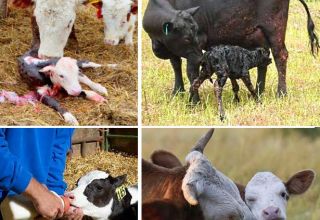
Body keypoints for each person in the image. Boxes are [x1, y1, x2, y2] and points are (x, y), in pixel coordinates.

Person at [0, 128, 83, 219]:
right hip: (6, 195)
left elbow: (58, 149)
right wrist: (38, 193)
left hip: (31, 205)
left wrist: (57, 199)